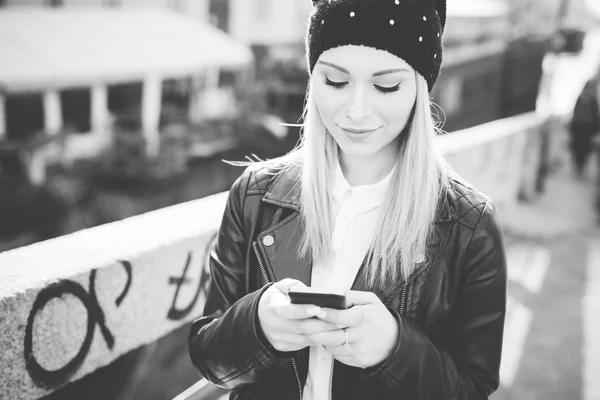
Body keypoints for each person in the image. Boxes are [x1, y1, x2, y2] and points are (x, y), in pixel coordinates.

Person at [188, 0, 507, 399]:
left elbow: (472, 390)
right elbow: (208, 356)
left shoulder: (470, 226)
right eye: (335, 82)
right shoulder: (254, 194)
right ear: (312, 77)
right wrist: (257, 324)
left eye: (386, 86)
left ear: (420, 88)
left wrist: (396, 349)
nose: (356, 111)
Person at [569, 72, 600, 178]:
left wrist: (595, 130)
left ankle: (581, 170)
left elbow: (595, 117)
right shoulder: (581, 98)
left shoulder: (593, 101)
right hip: (579, 127)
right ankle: (578, 169)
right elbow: (575, 112)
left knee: (585, 150)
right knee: (577, 149)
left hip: (587, 129)